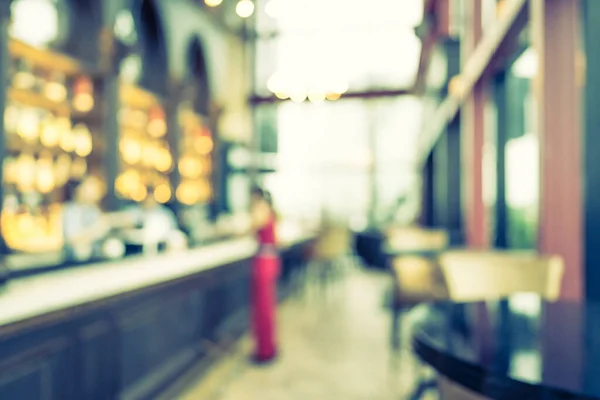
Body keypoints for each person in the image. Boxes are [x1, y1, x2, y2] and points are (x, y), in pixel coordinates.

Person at [250, 186, 280, 364]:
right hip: (270, 260)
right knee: (266, 307)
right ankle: (267, 348)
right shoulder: (270, 211)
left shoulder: (260, 210)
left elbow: (251, 227)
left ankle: (265, 351)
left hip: (263, 261)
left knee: (263, 308)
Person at [62, 177, 109, 261]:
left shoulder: (93, 209)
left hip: (95, 260)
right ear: (79, 191)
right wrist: (96, 229)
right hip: (75, 263)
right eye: (89, 189)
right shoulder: (71, 211)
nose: (95, 193)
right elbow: (73, 239)